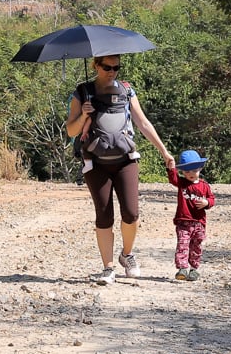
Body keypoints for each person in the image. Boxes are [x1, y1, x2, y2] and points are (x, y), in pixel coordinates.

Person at [64, 54, 173, 284]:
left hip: (126, 159)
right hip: (95, 162)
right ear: (95, 65)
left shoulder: (126, 90)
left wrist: (164, 151)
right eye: (107, 67)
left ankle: (127, 254)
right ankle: (108, 267)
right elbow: (71, 131)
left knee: (131, 213)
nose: (112, 71)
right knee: (104, 217)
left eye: (116, 67)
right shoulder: (82, 92)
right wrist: (84, 113)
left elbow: (143, 123)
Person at [167, 148, 215, 281]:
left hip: (199, 222)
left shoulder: (204, 186)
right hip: (184, 222)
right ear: (182, 171)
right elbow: (173, 179)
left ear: (200, 168)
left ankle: (194, 268)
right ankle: (182, 268)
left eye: (194, 170)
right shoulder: (182, 183)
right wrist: (171, 168)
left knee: (196, 245)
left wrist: (206, 203)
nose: (191, 174)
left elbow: (212, 199)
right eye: (187, 171)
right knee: (183, 244)